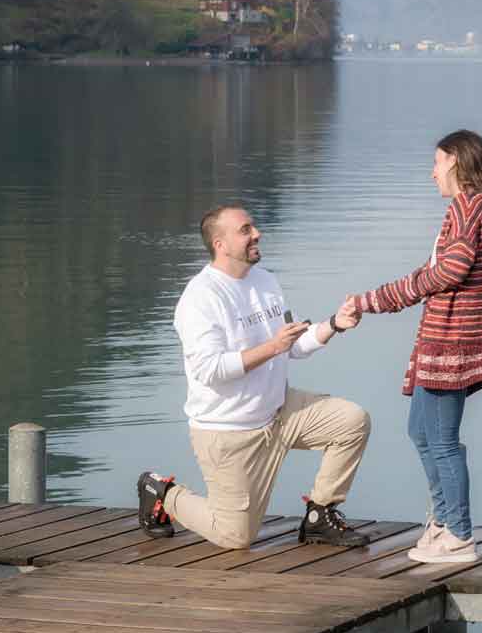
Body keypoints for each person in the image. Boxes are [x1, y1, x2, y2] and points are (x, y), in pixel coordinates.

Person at [137, 204, 371, 548]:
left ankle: (320, 515)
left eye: (254, 227)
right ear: (220, 243)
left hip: (279, 413)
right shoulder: (200, 298)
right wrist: (273, 347)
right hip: (229, 433)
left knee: (352, 421)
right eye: (245, 230)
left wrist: (333, 324)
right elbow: (210, 371)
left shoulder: (265, 281)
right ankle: (162, 492)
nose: (256, 234)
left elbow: (291, 346)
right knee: (234, 537)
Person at [342, 130, 482, 564]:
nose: (432, 172)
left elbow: (448, 272)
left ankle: (458, 534)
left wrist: (383, 298)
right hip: (442, 340)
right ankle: (442, 520)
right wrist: (372, 300)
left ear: (455, 161)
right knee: (422, 430)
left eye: (436, 162)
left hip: (453, 343)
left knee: (441, 440)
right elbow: (435, 270)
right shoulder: (471, 208)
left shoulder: (470, 206)